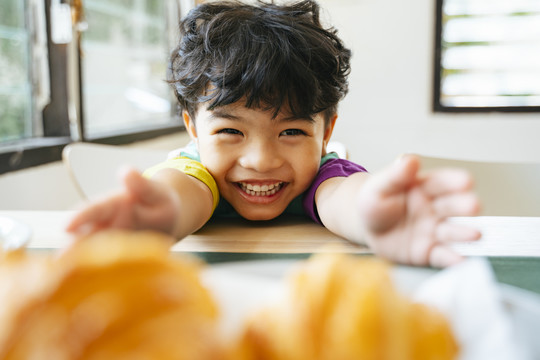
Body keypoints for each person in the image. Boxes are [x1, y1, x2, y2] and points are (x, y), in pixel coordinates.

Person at [66, 0, 481, 268]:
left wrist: (372, 215)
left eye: (292, 131)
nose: (261, 161)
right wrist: (162, 218)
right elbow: (180, 191)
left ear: (327, 130)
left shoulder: (324, 176)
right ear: (193, 127)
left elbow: (343, 197)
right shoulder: (197, 173)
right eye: (230, 130)